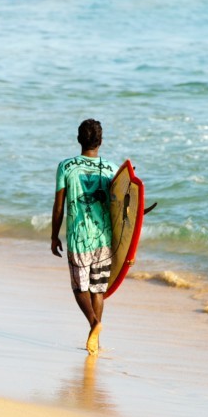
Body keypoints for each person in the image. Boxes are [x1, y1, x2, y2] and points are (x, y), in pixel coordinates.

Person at [51, 119, 118, 355]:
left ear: (79, 139)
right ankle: (95, 342)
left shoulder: (66, 167)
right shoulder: (112, 169)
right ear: (100, 141)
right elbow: (120, 211)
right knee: (98, 290)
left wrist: (54, 235)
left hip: (79, 238)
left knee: (79, 288)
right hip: (104, 238)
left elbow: (59, 205)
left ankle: (94, 324)